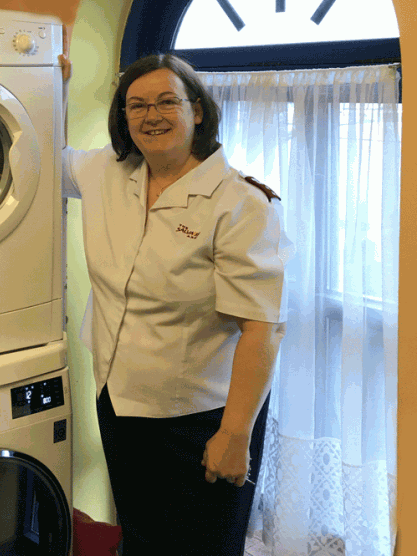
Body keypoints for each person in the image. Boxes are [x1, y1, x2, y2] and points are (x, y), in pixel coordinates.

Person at [60, 50, 290, 556]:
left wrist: (235, 435)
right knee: (143, 537)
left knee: (202, 545)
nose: (151, 115)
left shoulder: (240, 205)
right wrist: (40, 80)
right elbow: (44, 162)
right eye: (136, 105)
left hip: (200, 416)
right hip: (118, 401)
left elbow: (262, 328)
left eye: (167, 101)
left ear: (198, 110)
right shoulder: (106, 171)